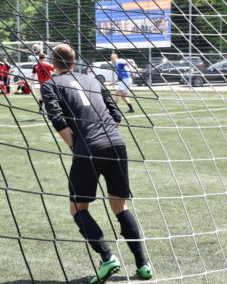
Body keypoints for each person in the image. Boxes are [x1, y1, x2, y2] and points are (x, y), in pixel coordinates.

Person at [41, 44, 152, 283]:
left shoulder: (50, 84)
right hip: (117, 144)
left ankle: (107, 258)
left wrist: (75, 146)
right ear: (74, 62)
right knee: (120, 206)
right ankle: (143, 265)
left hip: (89, 148)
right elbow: (116, 114)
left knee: (78, 208)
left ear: (53, 63)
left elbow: (58, 120)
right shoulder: (92, 79)